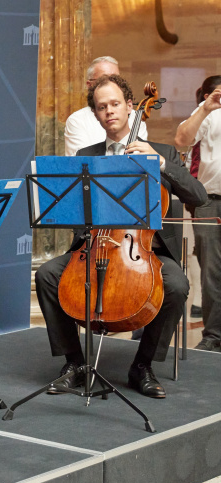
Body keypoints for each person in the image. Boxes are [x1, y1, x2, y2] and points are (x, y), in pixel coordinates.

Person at [36, 75, 207, 398]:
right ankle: (74, 363)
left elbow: (198, 196)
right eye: (102, 107)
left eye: (115, 104)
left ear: (131, 107)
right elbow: (74, 209)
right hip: (95, 245)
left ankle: (143, 365)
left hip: (148, 251)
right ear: (96, 114)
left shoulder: (163, 152)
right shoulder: (88, 155)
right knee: (48, 275)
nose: (109, 111)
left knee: (176, 285)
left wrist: (160, 166)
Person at [175, 75, 221, 352]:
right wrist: (206, 107)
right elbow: (181, 140)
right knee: (212, 272)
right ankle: (214, 336)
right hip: (210, 201)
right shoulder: (208, 111)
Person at [64, 56, 148, 156]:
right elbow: (83, 162)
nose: (111, 84)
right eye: (104, 79)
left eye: (116, 79)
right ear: (89, 85)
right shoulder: (77, 120)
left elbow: (140, 157)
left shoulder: (136, 117)